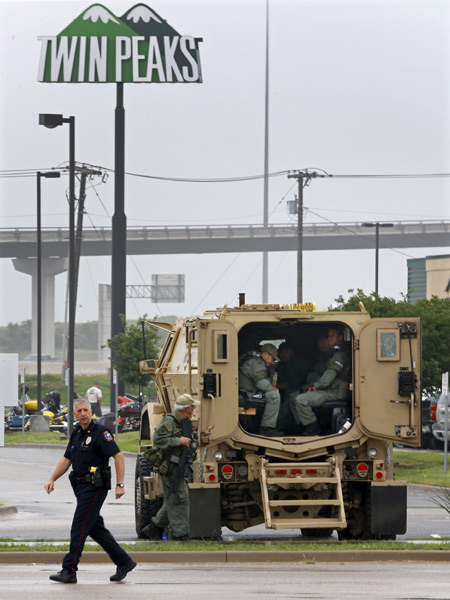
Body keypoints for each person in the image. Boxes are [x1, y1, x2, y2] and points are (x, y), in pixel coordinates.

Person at [44, 398, 136, 584]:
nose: (84, 413)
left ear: (91, 411)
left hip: (95, 487)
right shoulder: (77, 432)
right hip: (80, 487)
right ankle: (124, 562)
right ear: (74, 414)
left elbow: (118, 455)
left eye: (86, 410)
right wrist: (52, 478)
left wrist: (120, 484)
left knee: (79, 526)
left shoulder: (101, 433)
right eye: (80, 411)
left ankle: (69, 570)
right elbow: (66, 459)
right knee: (94, 527)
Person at [141, 393, 200, 542]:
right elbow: (158, 439)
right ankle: (181, 535)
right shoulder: (170, 421)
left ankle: (153, 528)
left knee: (175, 499)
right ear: (186, 408)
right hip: (171, 467)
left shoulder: (184, 422)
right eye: (192, 406)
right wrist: (177, 441)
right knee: (181, 499)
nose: (194, 409)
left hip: (181, 466)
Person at [289, 327, 351, 436]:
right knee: (293, 397)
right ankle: (303, 426)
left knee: (301, 400)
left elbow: (328, 377)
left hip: (334, 392)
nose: (330, 338)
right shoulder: (330, 354)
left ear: (340, 337)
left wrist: (315, 387)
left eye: (333, 336)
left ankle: (313, 428)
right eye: (329, 336)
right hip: (327, 389)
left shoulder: (339, 355)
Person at [239, 343, 283, 437]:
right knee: (274, 395)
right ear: (265, 355)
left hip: (244, 394)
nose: (272, 362)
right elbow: (262, 384)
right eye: (273, 359)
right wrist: (273, 388)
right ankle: (266, 429)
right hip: (244, 396)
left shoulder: (253, 361)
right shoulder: (257, 363)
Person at [275, 342, 309, 433]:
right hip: (283, 394)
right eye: (281, 352)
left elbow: (293, 383)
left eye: (286, 351)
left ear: (292, 352)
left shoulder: (299, 363)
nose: (283, 354)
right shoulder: (281, 365)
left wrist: (275, 386)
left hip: (298, 392)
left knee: (279, 416)